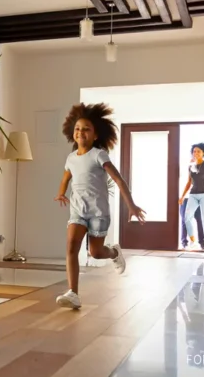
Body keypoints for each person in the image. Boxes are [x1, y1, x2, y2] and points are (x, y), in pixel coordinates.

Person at [54, 102, 146, 309]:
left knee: (95, 253)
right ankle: (73, 293)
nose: (81, 132)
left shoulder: (98, 155)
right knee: (71, 247)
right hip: (78, 210)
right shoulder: (70, 158)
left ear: (95, 135)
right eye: (78, 129)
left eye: (86, 129)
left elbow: (119, 179)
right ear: (72, 133)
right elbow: (65, 178)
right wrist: (60, 193)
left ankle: (113, 252)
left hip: (98, 212)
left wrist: (130, 205)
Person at [179, 143, 204, 252]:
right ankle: (192, 241)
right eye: (194, 151)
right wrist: (182, 196)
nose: (196, 153)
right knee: (187, 218)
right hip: (193, 194)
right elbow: (188, 183)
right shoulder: (190, 166)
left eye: (198, 151)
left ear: (203, 153)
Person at [180, 157, 204, 249]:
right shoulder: (186, 168)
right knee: (184, 219)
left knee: (199, 219)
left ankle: (202, 243)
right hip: (186, 198)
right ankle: (184, 242)